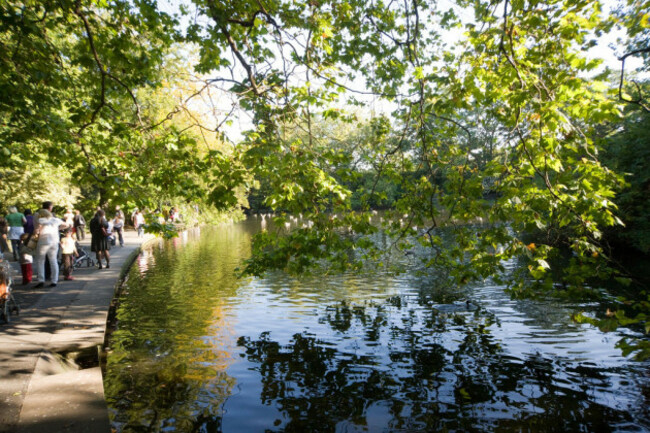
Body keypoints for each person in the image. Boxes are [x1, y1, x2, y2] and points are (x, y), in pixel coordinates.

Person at [34, 209, 65, 288]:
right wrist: (57, 229)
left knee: (40, 261)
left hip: (43, 242)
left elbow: (36, 231)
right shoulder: (56, 220)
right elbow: (66, 225)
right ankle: (54, 280)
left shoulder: (40, 220)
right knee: (53, 261)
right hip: (54, 242)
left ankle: (41, 280)